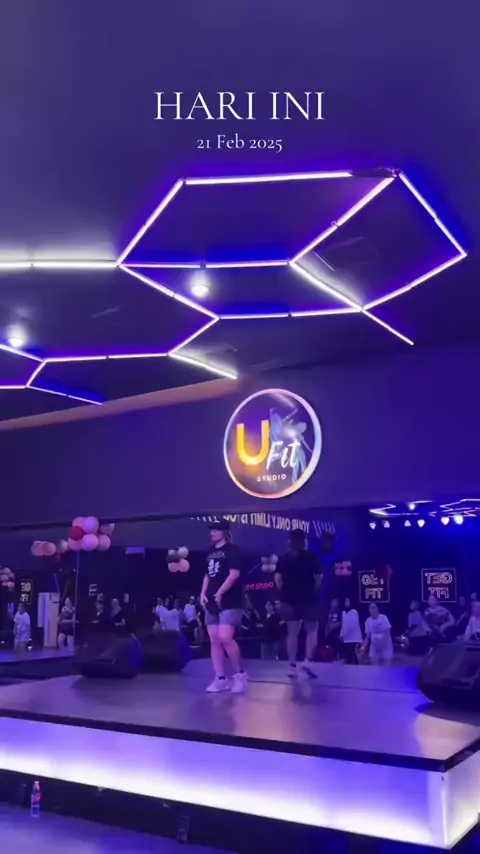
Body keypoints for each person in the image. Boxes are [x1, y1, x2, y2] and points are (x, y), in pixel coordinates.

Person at [200, 519, 247, 693]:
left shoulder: (233, 550)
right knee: (214, 639)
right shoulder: (209, 551)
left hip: (230, 599)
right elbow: (207, 575)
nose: (213, 532)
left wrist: (220, 592)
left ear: (225, 532)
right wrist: (203, 593)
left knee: (225, 637)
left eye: (216, 530)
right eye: (212, 530)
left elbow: (234, 574)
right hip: (211, 599)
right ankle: (220, 678)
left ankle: (240, 674)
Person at [274, 529, 322, 679]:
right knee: (312, 630)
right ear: (304, 540)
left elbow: (277, 579)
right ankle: (308, 661)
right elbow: (319, 578)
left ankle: (292, 666)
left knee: (292, 633)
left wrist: (285, 591)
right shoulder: (311, 557)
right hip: (308, 598)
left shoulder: (283, 559)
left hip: (288, 599)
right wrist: (313, 591)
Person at [340, 597, 362, 664]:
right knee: (347, 659)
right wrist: (342, 634)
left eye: (348, 601)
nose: (346, 603)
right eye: (345, 601)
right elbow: (343, 624)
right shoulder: (343, 613)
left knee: (354, 658)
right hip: (346, 639)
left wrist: (343, 634)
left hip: (354, 639)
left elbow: (351, 625)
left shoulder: (354, 612)